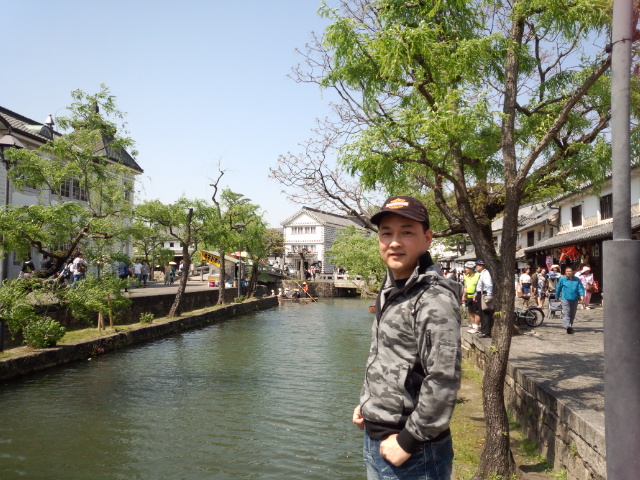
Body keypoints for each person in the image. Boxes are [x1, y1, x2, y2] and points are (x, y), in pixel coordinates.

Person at [352, 196, 461, 480]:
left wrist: (408, 441)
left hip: (413, 452)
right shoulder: (393, 287)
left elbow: (444, 377)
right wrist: (369, 404)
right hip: (378, 439)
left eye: (407, 232)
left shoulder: (433, 298)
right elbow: (387, 355)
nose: (395, 242)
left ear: (427, 239)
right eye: (386, 233)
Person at [556, 267, 585, 334]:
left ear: (573, 272)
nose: (568, 272)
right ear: (565, 272)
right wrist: (557, 296)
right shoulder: (562, 279)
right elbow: (558, 288)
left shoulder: (577, 279)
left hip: (574, 299)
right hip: (565, 299)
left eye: (570, 271)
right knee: (566, 313)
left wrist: (582, 295)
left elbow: (580, 288)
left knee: (572, 314)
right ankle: (568, 326)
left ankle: (570, 326)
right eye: (567, 271)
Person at [473, 260, 494, 338]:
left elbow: (489, 285)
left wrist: (489, 295)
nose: (476, 267)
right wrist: (476, 294)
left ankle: (486, 332)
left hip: (484, 294)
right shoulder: (482, 274)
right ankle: (483, 330)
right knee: (481, 313)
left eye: (477, 265)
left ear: (481, 266)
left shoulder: (486, 274)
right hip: (480, 294)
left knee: (485, 312)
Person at [463, 261, 481, 334]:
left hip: (475, 296)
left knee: (477, 312)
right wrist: (463, 296)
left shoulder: (478, 275)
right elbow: (465, 287)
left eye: (467, 268)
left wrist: (476, 294)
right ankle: (473, 326)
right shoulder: (466, 276)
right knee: (471, 312)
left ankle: (476, 327)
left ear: (471, 269)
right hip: (468, 296)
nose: (465, 269)